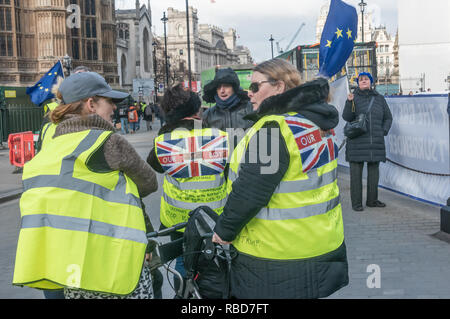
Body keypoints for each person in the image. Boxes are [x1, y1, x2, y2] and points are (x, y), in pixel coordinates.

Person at [12, 72, 158, 299]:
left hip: (72, 269)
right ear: (91, 104)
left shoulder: (51, 149)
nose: (114, 108)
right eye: (109, 101)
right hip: (113, 266)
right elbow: (148, 183)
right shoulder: (107, 142)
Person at [211, 58, 348, 299]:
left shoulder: (273, 130)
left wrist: (224, 231)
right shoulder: (309, 123)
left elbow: (250, 193)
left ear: (279, 87)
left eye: (255, 87)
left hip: (277, 256)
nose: (249, 93)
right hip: (322, 245)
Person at [146, 83, 229, 291]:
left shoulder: (163, 142)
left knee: (184, 264)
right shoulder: (221, 137)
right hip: (215, 217)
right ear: (196, 109)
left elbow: (154, 166)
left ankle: (185, 297)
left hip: (178, 220)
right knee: (218, 262)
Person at [342, 72, 393, 212]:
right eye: (361, 79)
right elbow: (347, 117)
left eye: (366, 79)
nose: (363, 81)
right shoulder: (353, 97)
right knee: (356, 176)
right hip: (357, 142)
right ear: (358, 83)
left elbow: (388, 117)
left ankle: (372, 200)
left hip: (375, 142)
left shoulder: (380, 99)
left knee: (373, 174)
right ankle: (356, 203)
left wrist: (383, 130)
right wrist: (349, 102)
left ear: (371, 82)